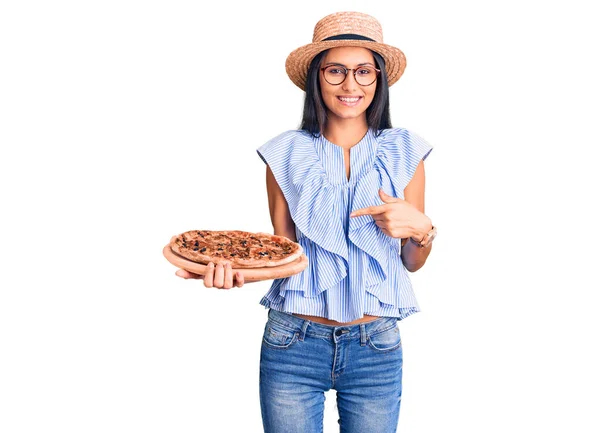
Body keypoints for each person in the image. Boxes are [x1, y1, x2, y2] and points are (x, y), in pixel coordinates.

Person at [176, 11, 437, 433]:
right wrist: (235, 271)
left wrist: (422, 230)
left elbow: (412, 261)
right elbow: (286, 255)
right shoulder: (285, 153)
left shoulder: (405, 151)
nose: (351, 85)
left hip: (376, 345)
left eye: (363, 72)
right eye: (336, 71)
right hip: (293, 342)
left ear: (378, 80)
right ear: (317, 76)